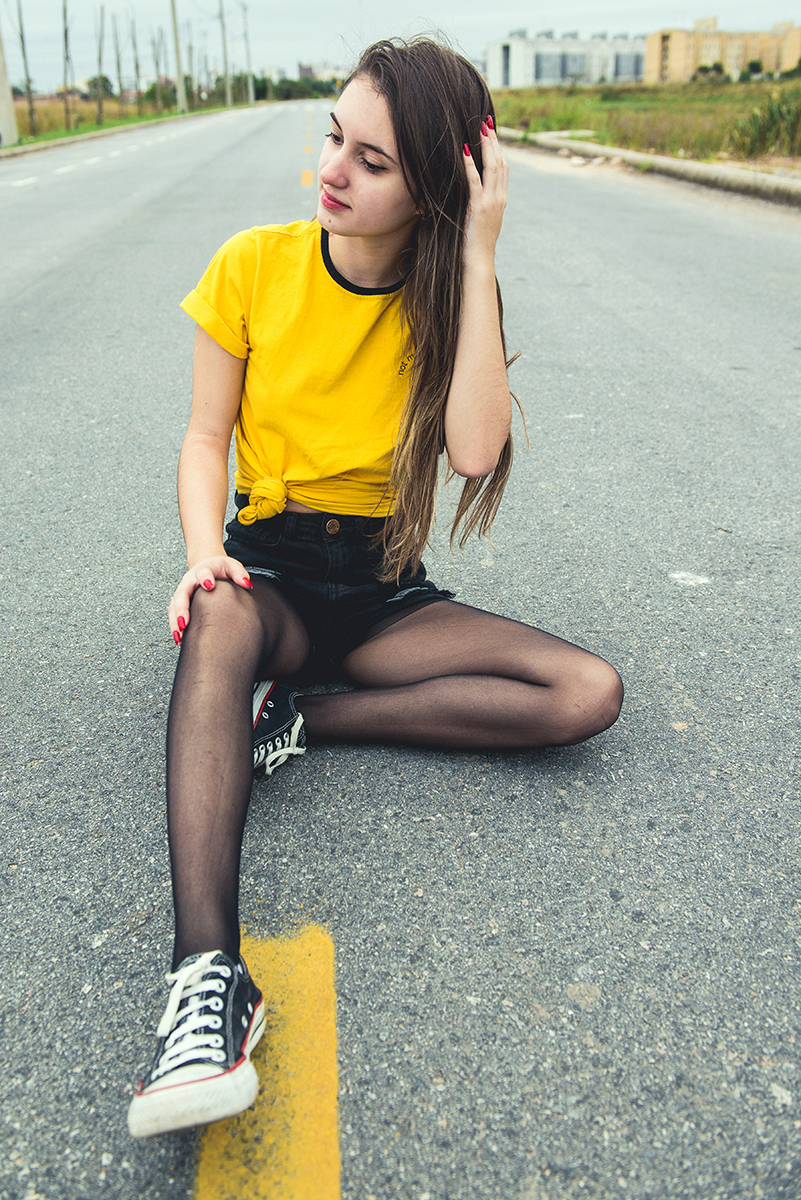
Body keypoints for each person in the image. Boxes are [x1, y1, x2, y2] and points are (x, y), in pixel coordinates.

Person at [127, 37, 623, 1139]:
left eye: (376, 161)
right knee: (218, 614)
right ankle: (206, 980)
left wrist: (481, 258)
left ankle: (312, 720)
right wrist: (204, 548)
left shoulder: (447, 301)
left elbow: (477, 454)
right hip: (275, 584)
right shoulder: (254, 264)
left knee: (585, 692)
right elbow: (206, 436)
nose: (334, 172)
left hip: (385, 596)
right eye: (332, 138)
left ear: (435, 190)